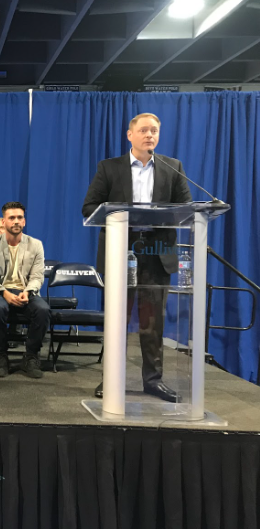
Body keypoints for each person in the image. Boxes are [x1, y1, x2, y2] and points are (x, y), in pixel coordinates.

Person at [82, 112, 192, 402]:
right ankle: (112, 379)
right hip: (123, 252)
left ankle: (153, 381)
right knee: (117, 321)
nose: (149, 135)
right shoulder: (109, 168)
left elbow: (187, 209)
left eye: (154, 130)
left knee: (153, 324)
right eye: (144, 130)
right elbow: (89, 207)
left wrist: (163, 216)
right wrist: (123, 215)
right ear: (130, 135)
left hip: (158, 254)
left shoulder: (173, 167)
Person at [0, 202, 49, 378]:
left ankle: (31, 356)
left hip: (26, 291)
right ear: (4, 222)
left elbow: (37, 276)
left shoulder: (36, 245)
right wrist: (5, 293)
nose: (16, 221)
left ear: (24, 222)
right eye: (12, 218)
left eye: (20, 217)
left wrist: (29, 291)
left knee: (43, 309)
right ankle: (1, 356)